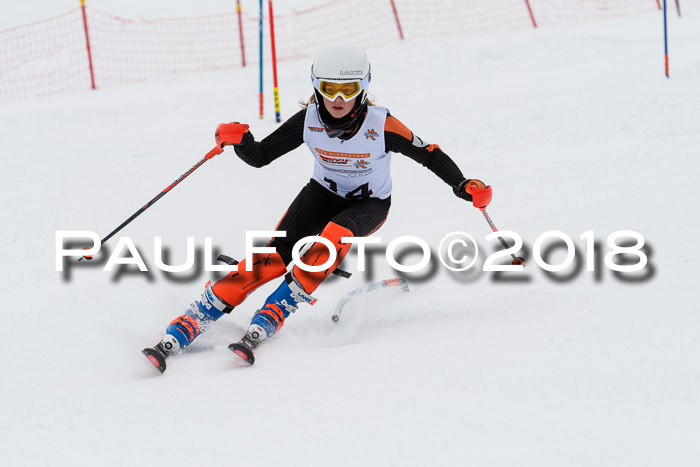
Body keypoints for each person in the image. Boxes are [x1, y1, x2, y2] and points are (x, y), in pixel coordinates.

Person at [142, 43, 490, 372]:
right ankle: (194, 317)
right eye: (329, 88)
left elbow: (428, 153)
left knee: (330, 239)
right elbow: (262, 156)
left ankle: (275, 310)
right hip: (321, 193)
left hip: (370, 203)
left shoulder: (381, 125)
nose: (338, 99)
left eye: (349, 89)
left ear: (364, 87)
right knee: (272, 260)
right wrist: (241, 141)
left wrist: (462, 184)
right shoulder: (307, 120)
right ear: (316, 85)